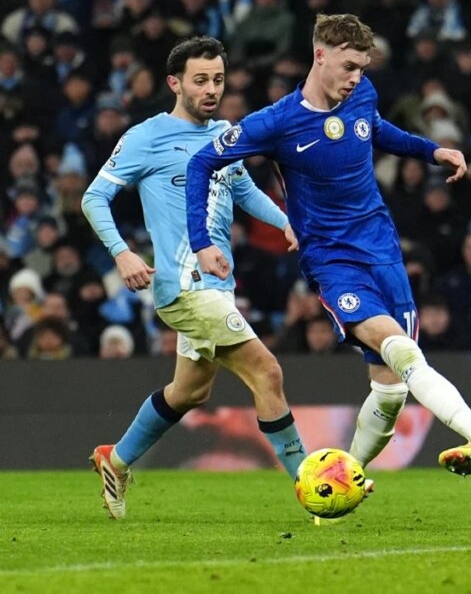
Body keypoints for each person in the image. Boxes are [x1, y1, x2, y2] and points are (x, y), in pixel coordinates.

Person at [185, 14, 471, 479]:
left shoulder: (361, 94)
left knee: (390, 389)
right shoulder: (277, 122)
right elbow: (202, 163)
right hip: (333, 260)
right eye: (349, 66)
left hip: (384, 249)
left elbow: (375, 129)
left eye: (362, 67)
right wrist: (201, 242)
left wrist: (430, 151)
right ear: (321, 56)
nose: (356, 77)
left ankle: (347, 475)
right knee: (401, 350)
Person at [82, 37, 308, 520]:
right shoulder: (147, 136)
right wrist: (123, 254)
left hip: (215, 286)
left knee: (190, 392)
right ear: (175, 83)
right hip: (182, 287)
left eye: (218, 80)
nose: (211, 89)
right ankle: (314, 489)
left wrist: (285, 221)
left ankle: (115, 460)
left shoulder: (225, 133)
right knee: (267, 372)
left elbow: (244, 190)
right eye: (200, 80)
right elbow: (93, 198)